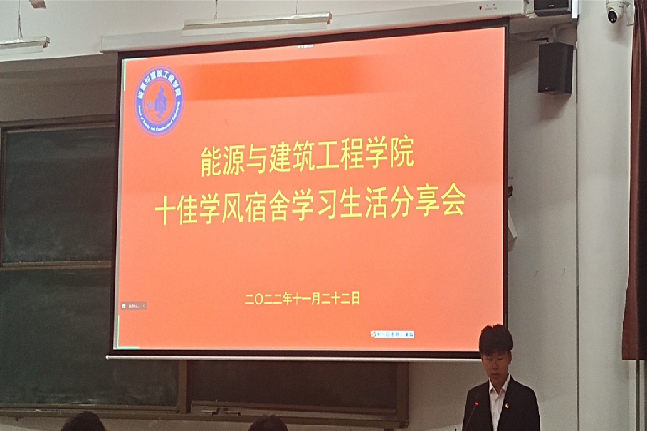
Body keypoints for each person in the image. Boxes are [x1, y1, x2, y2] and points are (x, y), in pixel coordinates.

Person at [462, 325, 540, 431]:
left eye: (500, 359)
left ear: (509, 358)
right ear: (482, 359)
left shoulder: (525, 398)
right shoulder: (475, 397)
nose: (494, 366)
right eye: (489, 359)